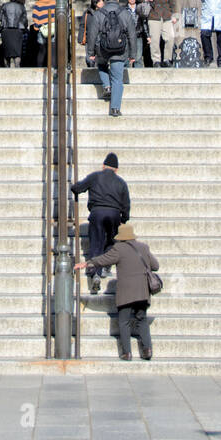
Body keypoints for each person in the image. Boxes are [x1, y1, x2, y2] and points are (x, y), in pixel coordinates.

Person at [76, 223, 160, 360]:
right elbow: (155, 266)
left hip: (126, 292)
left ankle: (127, 353)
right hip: (142, 291)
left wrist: (87, 263)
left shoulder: (118, 249)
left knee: (124, 321)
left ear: (120, 237)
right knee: (142, 319)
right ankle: (147, 350)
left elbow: (103, 260)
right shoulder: (144, 247)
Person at [71, 152, 130, 295]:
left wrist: (74, 188)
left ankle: (95, 273)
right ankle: (106, 267)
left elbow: (78, 188)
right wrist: (123, 219)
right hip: (114, 214)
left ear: (103, 166)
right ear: (116, 169)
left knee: (96, 243)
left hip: (97, 212)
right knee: (111, 240)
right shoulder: (121, 182)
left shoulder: (95, 176)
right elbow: (126, 204)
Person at [86, 0, 138, 116]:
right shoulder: (125, 13)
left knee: (102, 65)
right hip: (120, 49)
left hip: (103, 49)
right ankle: (115, 108)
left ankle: (106, 86)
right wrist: (133, 54)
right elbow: (132, 34)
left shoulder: (99, 13)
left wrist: (91, 52)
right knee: (117, 78)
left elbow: (91, 34)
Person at [137, 0, 176, 67]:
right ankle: (156, 60)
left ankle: (167, 59)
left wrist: (173, 15)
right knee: (155, 39)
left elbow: (172, 2)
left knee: (170, 37)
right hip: (154, 16)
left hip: (166, 16)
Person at [0, 0, 27, 68]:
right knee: (17, 52)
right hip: (18, 30)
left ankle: (7, 68)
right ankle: (17, 67)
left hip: (6, 30)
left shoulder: (5, 5)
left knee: (7, 52)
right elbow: (24, 21)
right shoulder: (22, 7)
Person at [29, 0, 56, 66]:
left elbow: (35, 17)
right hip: (53, 28)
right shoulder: (54, 2)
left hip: (42, 29)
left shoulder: (38, 4)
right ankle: (53, 71)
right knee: (52, 52)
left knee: (41, 52)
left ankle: (39, 70)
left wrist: (36, 28)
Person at [125, 0, 147, 67]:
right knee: (126, 57)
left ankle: (139, 75)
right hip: (127, 35)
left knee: (138, 57)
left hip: (138, 34)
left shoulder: (140, 8)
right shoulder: (124, 9)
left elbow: (144, 22)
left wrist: (147, 34)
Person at [81, 0, 104, 66]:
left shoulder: (104, 12)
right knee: (89, 60)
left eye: (102, 1)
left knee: (100, 60)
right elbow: (83, 25)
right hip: (90, 39)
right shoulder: (87, 13)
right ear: (95, 2)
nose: (102, 3)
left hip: (101, 39)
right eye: (100, 1)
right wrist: (81, 37)